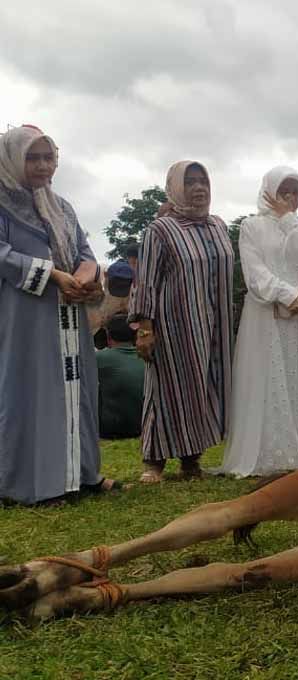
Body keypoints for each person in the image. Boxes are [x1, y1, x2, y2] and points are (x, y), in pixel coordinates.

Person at [0, 125, 113, 504]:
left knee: (76, 390)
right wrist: (53, 275)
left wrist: (85, 274)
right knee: (34, 391)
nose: (43, 165)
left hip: (68, 313)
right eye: (33, 157)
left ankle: (82, 475)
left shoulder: (61, 206)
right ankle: (35, 484)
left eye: (49, 157)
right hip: (24, 317)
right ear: (13, 158)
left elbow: (83, 250)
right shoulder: (2, 202)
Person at [219, 166, 298, 477]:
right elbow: (254, 273)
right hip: (267, 314)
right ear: (269, 190)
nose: (289, 197)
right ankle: (271, 452)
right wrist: (285, 294)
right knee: (270, 377)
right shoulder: (251, 226)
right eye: (283, 191)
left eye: (295, 191)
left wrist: (288, 219)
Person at [128, 161, 234, 483]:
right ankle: (154, 462)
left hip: (215, 327)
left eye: (204, 181)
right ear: (175, 187)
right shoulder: (160, 230)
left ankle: (191, 461)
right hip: (175, 327)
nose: (199, 188)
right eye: (190, 182)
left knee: (202, 389)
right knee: (165, 391)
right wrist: (146, 328)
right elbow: (146, 280)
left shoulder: (218, 225)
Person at [96, 315, 145, 439]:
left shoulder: (100, 358)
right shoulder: (147, 356)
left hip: (112, 429)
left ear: (108, 336)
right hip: (144, 425)